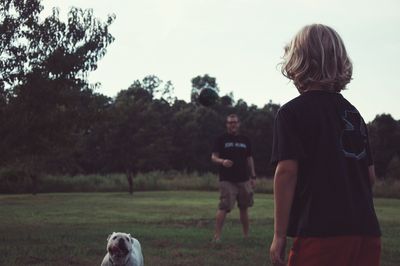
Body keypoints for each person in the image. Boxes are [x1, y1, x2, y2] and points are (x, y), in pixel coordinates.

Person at [269, 24, 381, 266]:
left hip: (320, 232)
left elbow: (286, 172)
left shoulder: (291, 113)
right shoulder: (353, 113)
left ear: (297, 62)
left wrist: (279, 234)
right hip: (367, 232)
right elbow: (370, 176)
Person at [211, 114, 256, 242]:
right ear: (227, 125)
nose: (233, 125)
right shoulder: (221, 139)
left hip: (244, 179)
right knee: (224, 207)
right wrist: (222, 161)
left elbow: (249, 158)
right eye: (230, 123)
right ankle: (217, 236)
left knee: (244, 207)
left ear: (238, 124)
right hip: (227, 180)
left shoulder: (245, 140)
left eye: (235, 122)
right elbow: (213, 157)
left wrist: (253, 176)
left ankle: (246, 236)